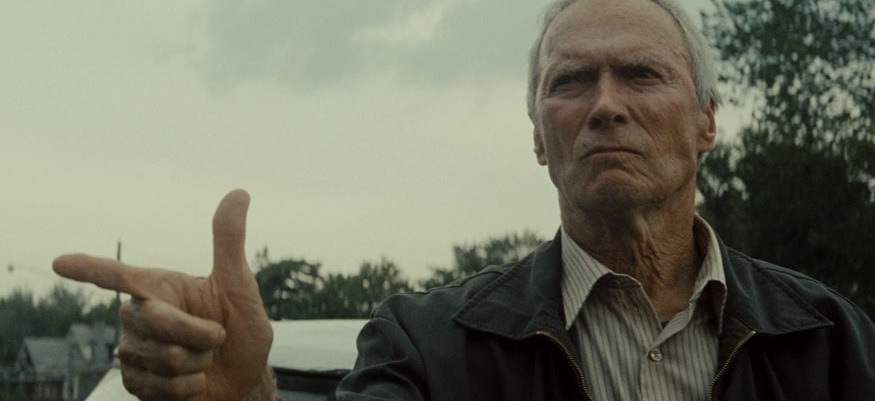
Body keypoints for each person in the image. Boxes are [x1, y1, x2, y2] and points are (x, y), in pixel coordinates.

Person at [53, 0, 875, 400]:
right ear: (537, 137)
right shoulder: (425, 345)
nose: (604, 105)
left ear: (705, 122)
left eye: (641, 74)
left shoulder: (829, 340)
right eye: (570, 82)